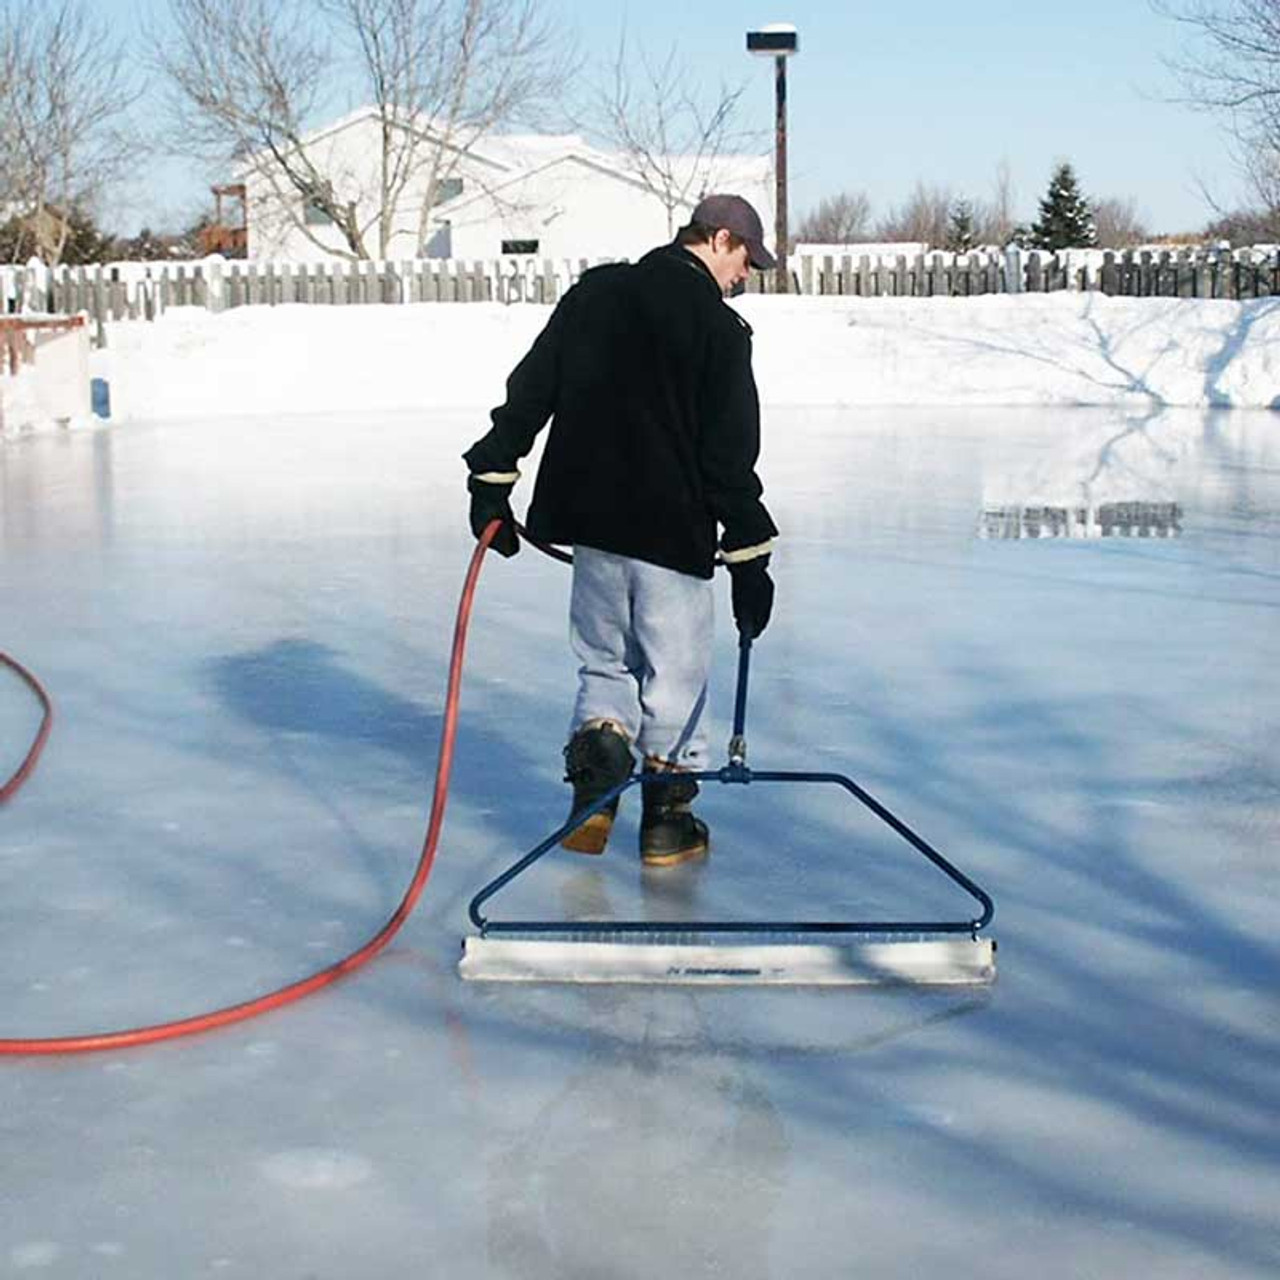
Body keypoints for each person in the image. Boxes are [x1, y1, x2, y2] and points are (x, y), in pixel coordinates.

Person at [462, 194, 778, 868]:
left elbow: (531, 390)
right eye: (745, 260)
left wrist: (492, 478)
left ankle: (599, 774)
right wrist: (750, 553)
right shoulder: (720, 331)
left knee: (604, 661)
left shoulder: (595, 295)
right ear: (719, 240)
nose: (745, 276)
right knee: (675, 670)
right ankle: (666, 818)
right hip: (672, 532)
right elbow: (728, 455)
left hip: (593, 529)